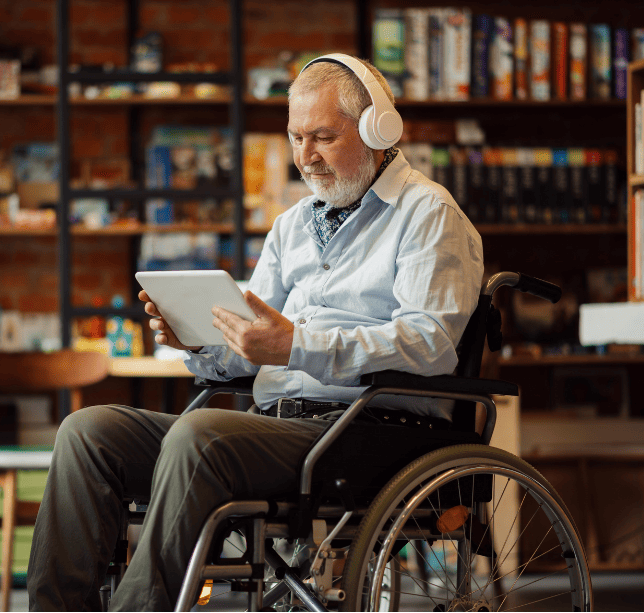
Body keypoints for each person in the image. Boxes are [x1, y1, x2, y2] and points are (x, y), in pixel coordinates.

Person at [27, 54, 483, 612]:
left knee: (202, 436)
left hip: (371, 430)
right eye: (295, 138)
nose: (305, 158)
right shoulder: (292, 225)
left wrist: (296, 346)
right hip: (274, 430)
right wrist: (199, 342)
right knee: (88, 432)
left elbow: (429, 344)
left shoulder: (428, 213)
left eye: (323, 137)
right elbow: (250, 351)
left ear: (377, 131)